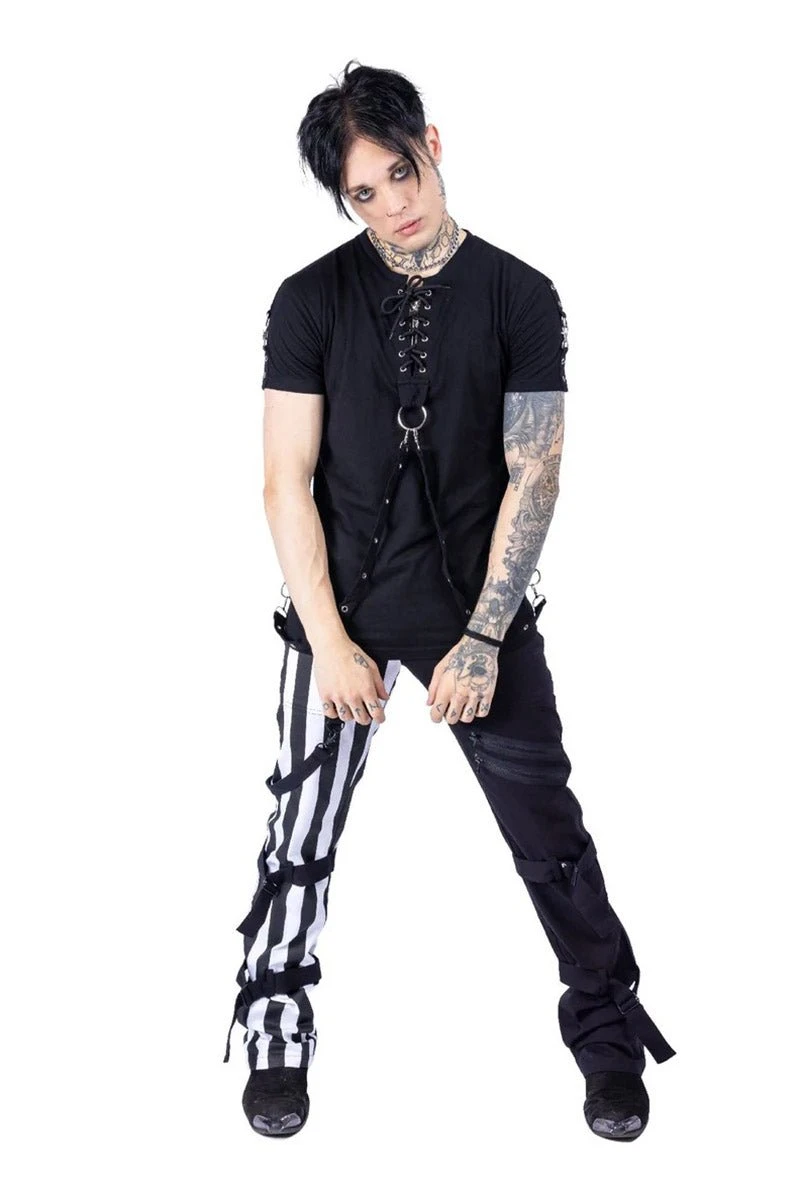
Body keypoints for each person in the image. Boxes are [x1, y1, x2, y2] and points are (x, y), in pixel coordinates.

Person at [223, 60, 676, 1141]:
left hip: (480, 614)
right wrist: (329, 641)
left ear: (431, 143)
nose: (393, 203)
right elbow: (284, 479)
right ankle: (275, 1030)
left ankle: (606, 1034)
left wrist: (482, 636)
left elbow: (537, 472)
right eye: (363, 192)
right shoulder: (308, 299)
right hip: (339, 611)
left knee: (549, 835)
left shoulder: (520, 293)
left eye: (400, 171)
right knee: (298, 830)